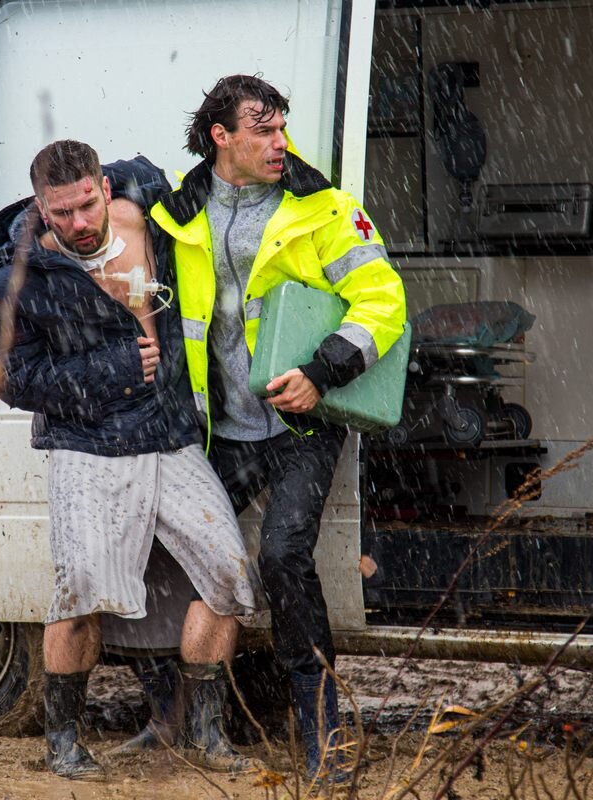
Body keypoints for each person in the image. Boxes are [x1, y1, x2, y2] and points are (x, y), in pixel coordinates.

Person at [0, 140, 261, 781]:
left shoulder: (156, 212)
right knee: (80, 595)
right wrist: (114, 370)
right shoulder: (15, 279)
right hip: (90, 444)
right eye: (60, 213)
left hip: (173, 433)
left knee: (230, 574)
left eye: (84, 206)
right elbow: (8, 377)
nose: (77, 224)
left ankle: (205, 730)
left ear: (104, 188)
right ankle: (64, 742)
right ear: (39, 209)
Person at [150, 75, 407, 784]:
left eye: (282, 128)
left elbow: (384, 301)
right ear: (220, 137)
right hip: (220, 431)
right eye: (262, 129)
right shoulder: (177, 212)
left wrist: (323, 372)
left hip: (304, 424)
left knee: (285, 558)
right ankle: (171, 721)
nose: (279, 143)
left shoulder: (323, 207)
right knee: (169, 552)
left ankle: (323, 735)